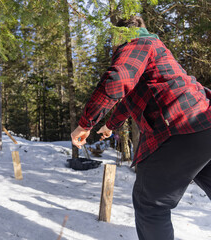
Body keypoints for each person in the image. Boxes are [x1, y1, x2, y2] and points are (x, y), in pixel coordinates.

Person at [70, 16, 211, 240]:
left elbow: (117, 81)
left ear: (121, 35)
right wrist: (108, 124)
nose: (114, 46)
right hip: (204, 124)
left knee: (151, 203)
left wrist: (84, 123)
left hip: (180, 127)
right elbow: (129, 100)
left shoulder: (137, 43)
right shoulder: (155, 50)